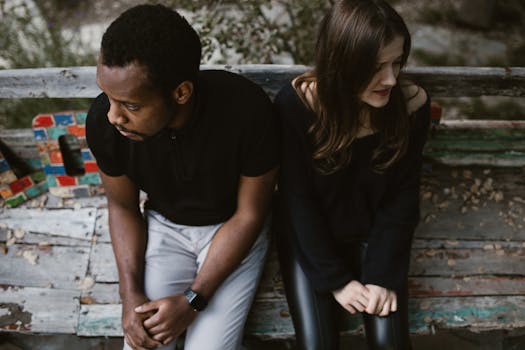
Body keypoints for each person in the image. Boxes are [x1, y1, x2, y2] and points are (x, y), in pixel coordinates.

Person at [85, 4, 279, 350]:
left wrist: (194, 299)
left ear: (181, 92)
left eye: (130, 105)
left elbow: (250, 213)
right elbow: (123, 207)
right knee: (143, 342)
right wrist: (130, 295)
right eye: (108, 98)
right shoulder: (105, 122)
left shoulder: (247, 111)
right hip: (165, 228)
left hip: (232, 229)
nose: (114, 116)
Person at [274, 0, 430, 349]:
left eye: (397, 62)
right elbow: (297, 202)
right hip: (311, 244)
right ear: (344, 63)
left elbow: (402, 198)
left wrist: (382, 276)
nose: (390, 78)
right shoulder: (297, 105)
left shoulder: (410, 107)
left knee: (391, 344)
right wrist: (337, 281)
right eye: (376, 67)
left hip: (376, 239)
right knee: (317, 345)